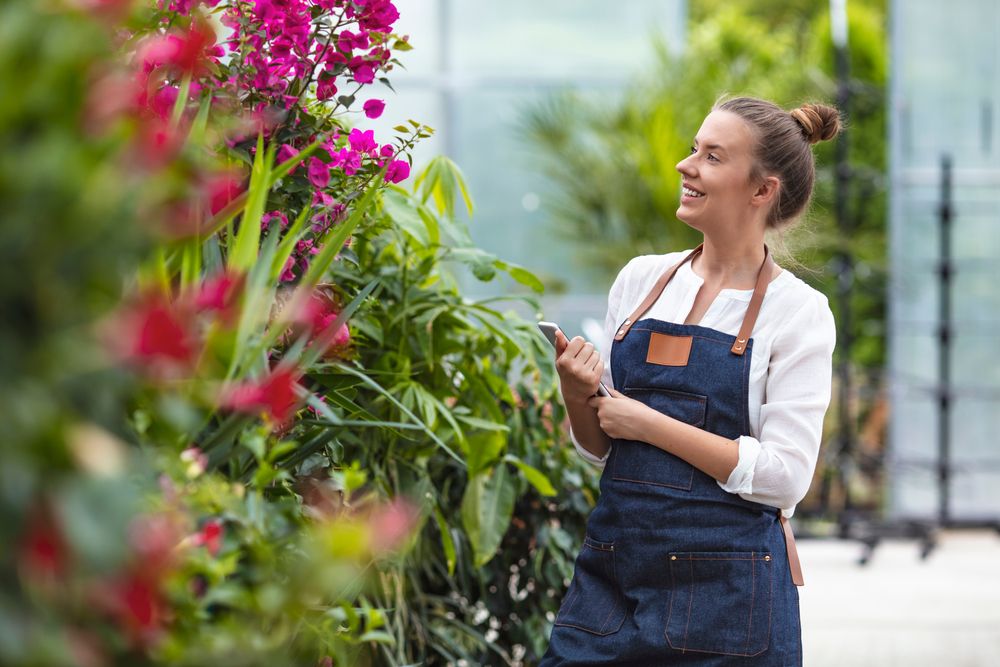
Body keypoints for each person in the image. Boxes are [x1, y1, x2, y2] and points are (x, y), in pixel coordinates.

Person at [540, 96, 839, 666]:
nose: (686, 164)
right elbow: (603, 450)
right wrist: (578, 393)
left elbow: (784, 480)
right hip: (615, 578)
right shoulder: (641, 281)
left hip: (728, 600)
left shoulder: (796, 312)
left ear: (761, 191)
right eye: (694, 148)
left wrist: (650, 424)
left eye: (712, 156)